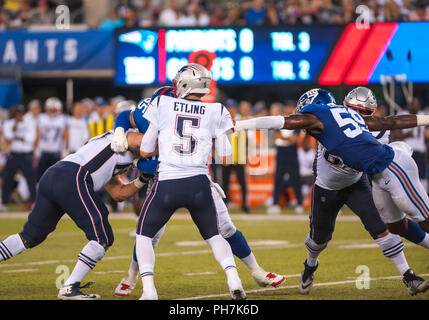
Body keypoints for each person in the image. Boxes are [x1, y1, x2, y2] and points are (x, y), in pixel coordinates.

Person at [235, 87, 429, 295]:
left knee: (380, 227)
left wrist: (240, 125)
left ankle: (408, 275)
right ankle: (310, 265)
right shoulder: (342, 118)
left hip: (357, 183)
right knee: (318, 239)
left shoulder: (333, 117)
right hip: (328, 187)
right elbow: (388, 122)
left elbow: (282, 122)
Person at [111, 80, 285, 298]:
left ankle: (257, 271)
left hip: (177, 178)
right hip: (176, 178)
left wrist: (139, 162)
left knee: (225, 227)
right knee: (153, 235)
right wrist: (120, 131)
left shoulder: (169, 108)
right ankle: (131, 275)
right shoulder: (168, 107)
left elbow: (146, 151)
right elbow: (126, 116)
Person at [131, 63, 245, 300]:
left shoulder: (162, 103)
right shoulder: (217, 109)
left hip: (168, 182)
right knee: (215, 236)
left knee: (144, 235)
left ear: (183, 84)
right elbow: (226, 156)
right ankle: (233, 277)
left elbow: (144, 149)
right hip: (199, 183)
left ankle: (149, 290)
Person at [0, 129, 150, 300]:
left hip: (54, 174)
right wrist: (157, 158)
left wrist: (142, 179)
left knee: (29, 236)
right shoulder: (130, 136)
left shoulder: (107, 146)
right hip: (74, 176)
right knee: (102, 237)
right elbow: (143, 144)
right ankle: (70, 287)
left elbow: (118, 193)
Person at [268, 102, 303, 215]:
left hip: (292, 154)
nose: (289, 109)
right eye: (287, 107)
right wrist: (288, 139)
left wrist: (284, 139)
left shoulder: (297, 122)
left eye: (291, 107)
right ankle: (275, 204)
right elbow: (277, 136)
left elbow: (294, 139)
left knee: (295, 180)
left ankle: (299, 204)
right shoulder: (280, 121)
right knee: (278, 180)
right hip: (281, 153)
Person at [1, 105, 37, 209]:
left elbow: (31, 138)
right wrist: (16, 128)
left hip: (26, 155)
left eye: (20, 113)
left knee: (31, 179)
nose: (19, 115)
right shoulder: (9, 123)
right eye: (17, 113)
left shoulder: (29, 123)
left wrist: (17, 136)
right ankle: (3, 202)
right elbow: (7, 136)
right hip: (13, 154)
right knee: (7, 178)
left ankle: (34, 202)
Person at [36, 97, 68, 181]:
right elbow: (37, 135)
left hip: (56, 153)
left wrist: (64, 152)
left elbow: (66, 137)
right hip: (44, 152)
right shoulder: (41, 118)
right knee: (40, 176)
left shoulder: (62, 119)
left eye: (54, 109)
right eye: (51, 109)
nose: (52, 111)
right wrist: (36, 150)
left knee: (55, 177)